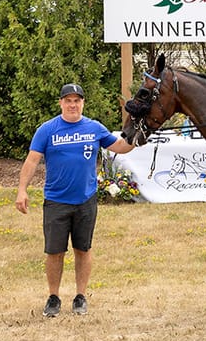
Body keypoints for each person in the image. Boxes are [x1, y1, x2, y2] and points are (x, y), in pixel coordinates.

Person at [16, 82, 135, 317]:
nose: (73, 104)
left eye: (77, 100)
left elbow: (120, 147)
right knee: (54, 251)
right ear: (61, 103)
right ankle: (53, 297)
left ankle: (80, 296)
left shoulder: (94, 128)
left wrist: (139, 137)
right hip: (56, 201)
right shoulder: (47, 130)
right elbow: (32, 161)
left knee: (83, 249)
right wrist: (22, 189)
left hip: (85, 201)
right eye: (68, 100)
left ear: (83, 103)